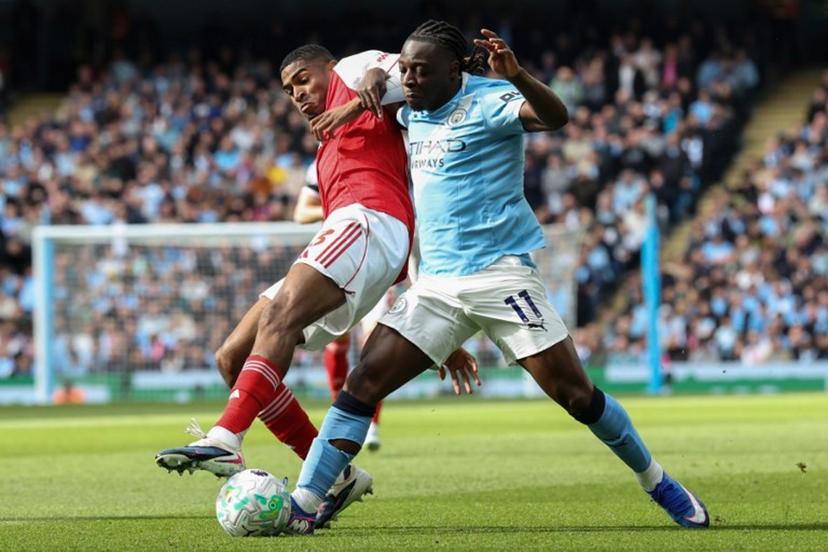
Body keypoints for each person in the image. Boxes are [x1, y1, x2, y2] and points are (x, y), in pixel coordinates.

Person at [283, 21, 710, 534]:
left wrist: (520, 75)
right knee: (361, 384)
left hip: (501, 276)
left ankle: (658, 482)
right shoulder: (407, 110)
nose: (410, 80)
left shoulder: (491, 100)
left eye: (421, 71)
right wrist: (373, 78)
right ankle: (305, 502)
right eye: (407, 71)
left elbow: (556, 116)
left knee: (577, 396)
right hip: (437, 288)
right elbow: (379, 75)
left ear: (455, 70)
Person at [156, 44, 476, 519]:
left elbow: (403, 69)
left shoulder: (350, 71)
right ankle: (337, 477)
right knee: (232, 356)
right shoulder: (327, 147)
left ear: (328, 68)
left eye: (303, 80)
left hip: (369, 221)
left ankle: (226, 437)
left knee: (282, 316)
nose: (297, 94)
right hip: (356, 232)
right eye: (289, 90)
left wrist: (368, 77)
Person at [293, 161, 386, 451]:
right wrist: (342, 209)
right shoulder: (319, 165)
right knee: (338, 340)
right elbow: (301, 213)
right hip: (338, 261)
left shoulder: (384, 154)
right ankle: (340, 414)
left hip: (378, 261)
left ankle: (371, 423)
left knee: (375, 341)